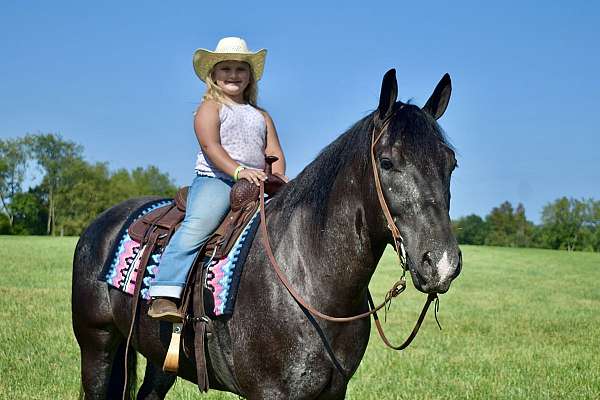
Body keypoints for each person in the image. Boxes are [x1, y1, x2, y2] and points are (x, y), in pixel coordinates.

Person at [148, 37, 286, 321]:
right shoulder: (211, 107)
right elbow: (212, 147)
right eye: (226, 69)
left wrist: (279, 176)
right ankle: (165, 292)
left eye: (240, 69)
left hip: (259, 183)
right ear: (213, 75)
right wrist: (238, 171)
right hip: (218, 179)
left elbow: (273, 151)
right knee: (199, 225)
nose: (233, 75)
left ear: (250, 76)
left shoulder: (261, 116)